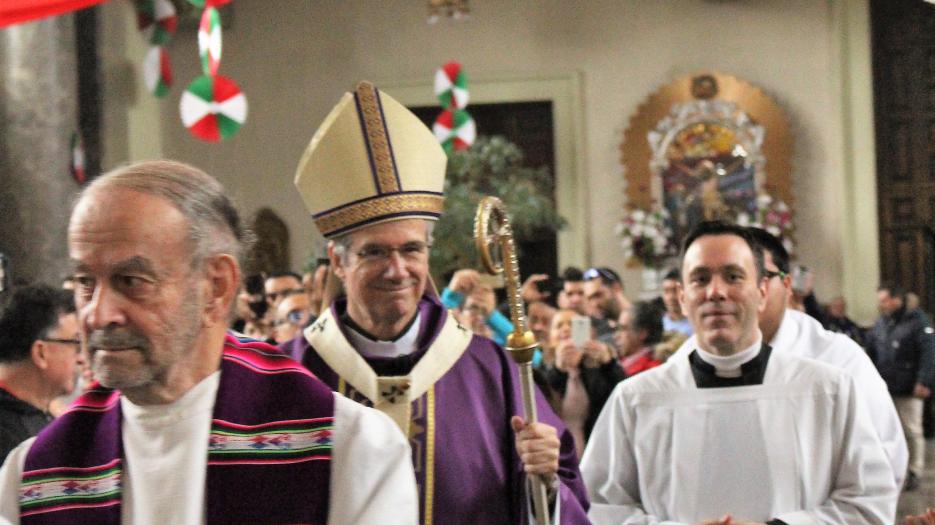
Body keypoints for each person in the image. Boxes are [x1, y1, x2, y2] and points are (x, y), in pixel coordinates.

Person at [0, 160, 417, 524]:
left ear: (216, 287)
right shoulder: (32, 477)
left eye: (131, 282)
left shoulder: (349, 450)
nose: (97, 314)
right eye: (85, 283)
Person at [284, 81, 589, 523]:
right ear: (338, 259)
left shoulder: (489, 370)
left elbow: (560, 493)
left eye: (411, 250)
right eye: (374, 252)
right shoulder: (290, 375)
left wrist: (543, 479)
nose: (397, 269)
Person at [581, 220, 897, 524]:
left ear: (762, 291)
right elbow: (599, 507)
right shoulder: (636, 400)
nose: (715, 292)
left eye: (733, 276)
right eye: (700, 279)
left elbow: (868, 502)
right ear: (682, 297)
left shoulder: (828, 389)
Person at [0, 285, 84, 460]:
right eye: (76, 344)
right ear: (41, 353)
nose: (82, 358)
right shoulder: (11, 440)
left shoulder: (37, 416)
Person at [869, 282, 935, 491]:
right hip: (886, 386)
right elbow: (872, 349)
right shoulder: (882, 322)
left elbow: (929, 352)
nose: (881, 305)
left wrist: (924, 380)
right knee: (889, 429)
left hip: (909, 387)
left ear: (897, 300)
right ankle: (896, 469)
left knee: (911, 429)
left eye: (884, 300)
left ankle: (915, 470)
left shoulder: (917, 322)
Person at [544, 309, 624, 458]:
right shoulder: (542, 369)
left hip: (598, 449)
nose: (566, 329)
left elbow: (621, 396)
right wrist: (558, 371)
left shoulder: (597, 368)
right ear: (550, 337)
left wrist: (608, 364)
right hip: (557, 451)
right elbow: (542, 402)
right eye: (559, 325)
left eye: (573, 325)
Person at [615, 301, 663, 377]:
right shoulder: (618, 362)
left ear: (642, 333)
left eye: (623, 329)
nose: (616, 336)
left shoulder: (652, 371)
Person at [660, 268, 692, 336]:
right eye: (666, 291)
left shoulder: (696, 325)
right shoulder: (658, 325)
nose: (671, 297)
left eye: (675, 291)